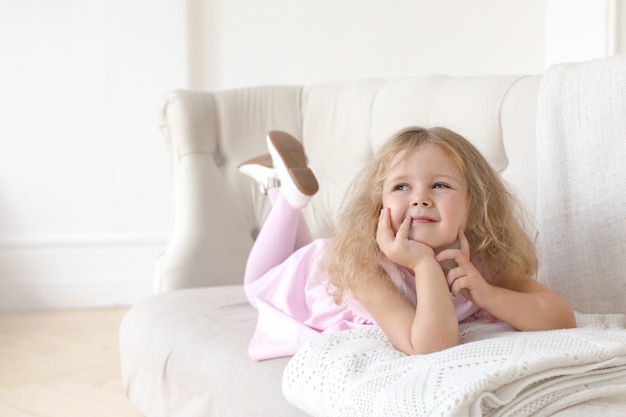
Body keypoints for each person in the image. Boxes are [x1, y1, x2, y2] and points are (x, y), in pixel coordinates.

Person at [239, 127, 575, 360]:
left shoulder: (484, 261)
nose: (420, 199)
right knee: (255, 288)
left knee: (296, 253)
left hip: (325, 256)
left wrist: (488, 294)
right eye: (401, 187)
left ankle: (280, 188)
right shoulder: (364, 269)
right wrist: (424, 264)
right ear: (378, 206)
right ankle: (286, 200)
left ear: (476, 204)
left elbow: (561, 317)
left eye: (440, 185)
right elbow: (429, 345)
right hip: (312, 273)